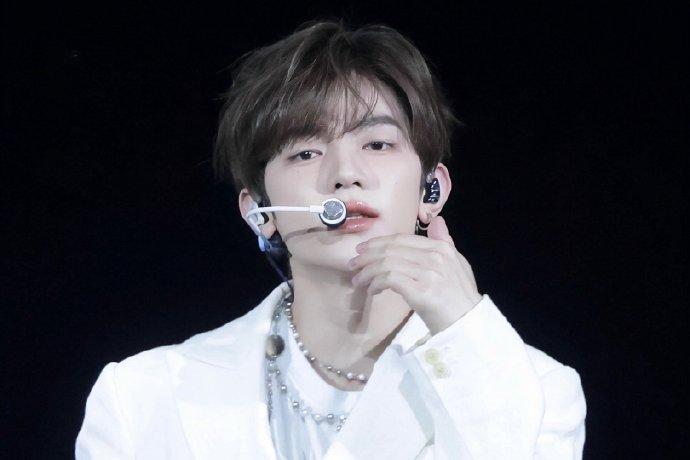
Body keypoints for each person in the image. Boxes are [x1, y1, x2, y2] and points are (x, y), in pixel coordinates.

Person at [76, 19, 587, 459]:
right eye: (305, 153)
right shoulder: (140, 398)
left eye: (378, 144)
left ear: (431, 191)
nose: (345, 174)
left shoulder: (539, 392)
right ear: (259, 212)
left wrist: (462, 331)